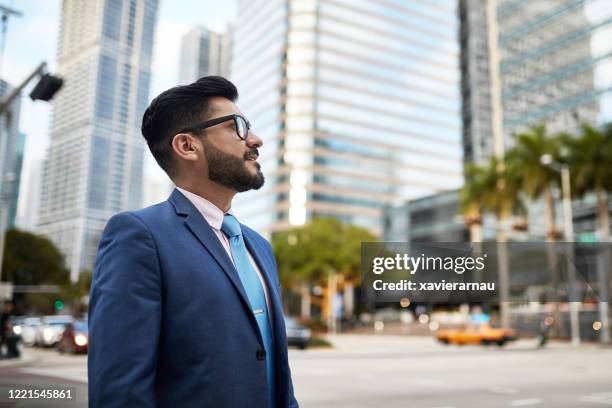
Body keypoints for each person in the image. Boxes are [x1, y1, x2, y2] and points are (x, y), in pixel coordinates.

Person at [88, 76, 299, 408]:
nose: (255, 140)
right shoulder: (139, 236)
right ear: (187, 146)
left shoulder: (259, 246)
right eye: (238, 127)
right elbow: (120, 390)